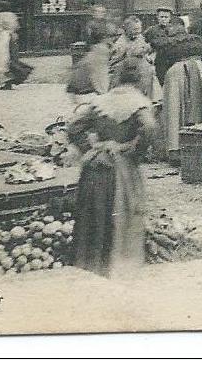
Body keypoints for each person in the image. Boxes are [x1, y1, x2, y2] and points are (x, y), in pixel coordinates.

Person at [68, 59, 158, 278]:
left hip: (96, 165)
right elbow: (148, 128)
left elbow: (74, 127)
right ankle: (120, 266)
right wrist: (133, 150)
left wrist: (91, 147)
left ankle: (90, 264)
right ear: (141, 80)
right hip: (121, 167)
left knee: (94, 213)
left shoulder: (101, 101)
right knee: (122, 212)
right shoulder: (140, 103)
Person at [159, 31, 202, 160]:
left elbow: (161, 67)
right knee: (201, 106)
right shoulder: (200, 61)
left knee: (174, 109)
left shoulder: (170, 51)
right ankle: (199, 144)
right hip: (198, 70)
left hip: (176, 72)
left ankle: (175, 148)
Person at [0, 11, 33, 90]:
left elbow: (1, 47)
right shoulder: (8, 32)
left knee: (7, 66)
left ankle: (6, 83)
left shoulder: (3, 33)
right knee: (9, 66)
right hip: (7, 51)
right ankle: (7, 83)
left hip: (4, 52)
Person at [67, 23, 116, 107]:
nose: (114, 38)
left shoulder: (96, 49)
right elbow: (100, 83)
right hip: (85, 95)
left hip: (80, 92)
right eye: (112, 36)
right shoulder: (100, 52)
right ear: (105, 38)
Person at [109, 16, 155, 99]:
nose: (138, 32)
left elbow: (143, 50)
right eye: (135, 29)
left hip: (142, 72)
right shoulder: (120, 44)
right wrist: (131, 55)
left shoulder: (139, 37)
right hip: (127, 76)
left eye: (139, 29)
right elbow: (113, 65)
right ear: (127, 29)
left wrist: (147, 55)